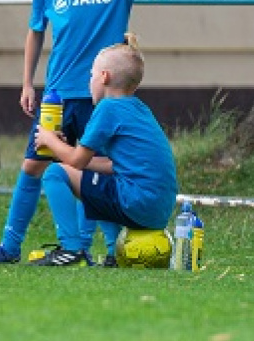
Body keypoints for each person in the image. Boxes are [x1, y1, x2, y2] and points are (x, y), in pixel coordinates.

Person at [0, 0, 169, 265]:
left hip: (102, 97)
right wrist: (26, 83)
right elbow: (36, 31)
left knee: (96, 167)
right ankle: (9, 246)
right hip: (58, 93)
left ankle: (104, 250)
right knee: (33, 165)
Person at [32, 34, 177, 266]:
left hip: (135, 202)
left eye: (91, 75)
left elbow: (77, 161)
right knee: (103, 179)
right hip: (158, 209)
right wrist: (64, 149)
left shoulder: (108, 108)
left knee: (55, 173)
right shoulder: (139, 108)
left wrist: (50, 140)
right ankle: (112, 255)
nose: (89, 81)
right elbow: (112, 165)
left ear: (104, 77)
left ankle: (70, 249)